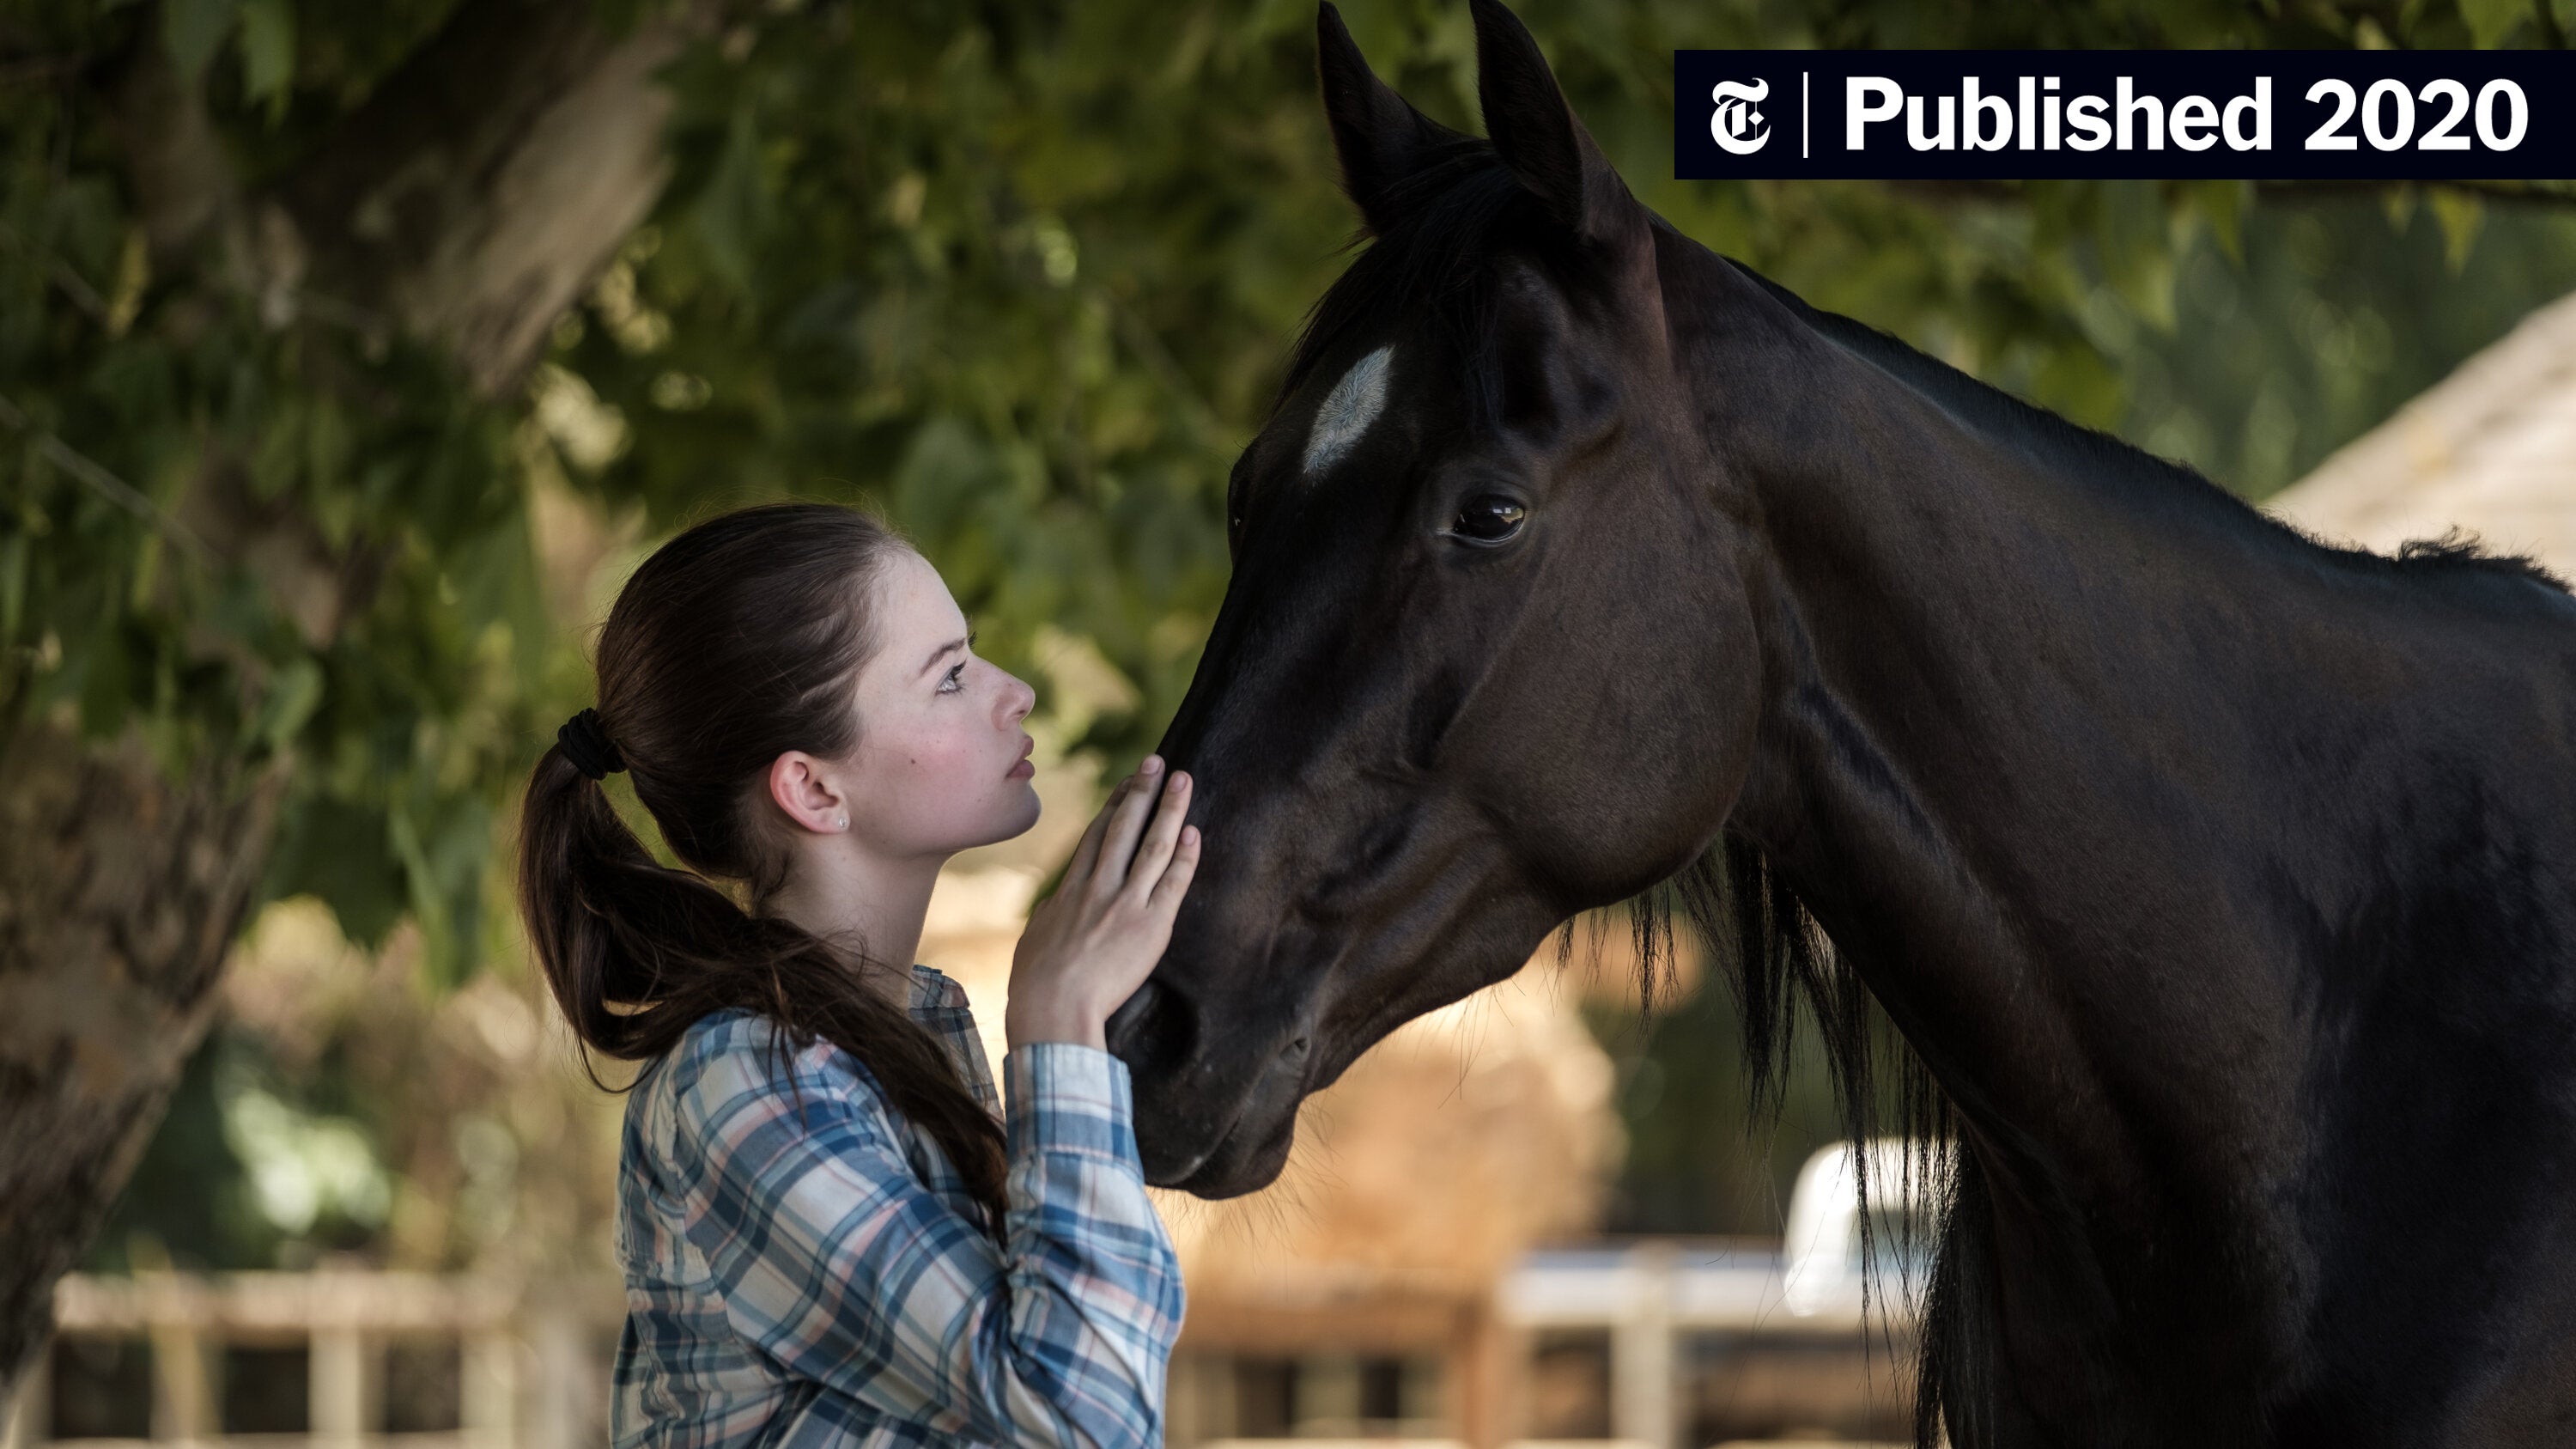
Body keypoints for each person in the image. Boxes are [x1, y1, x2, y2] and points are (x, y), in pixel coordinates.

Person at [514, 500, 1198, 1447]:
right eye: (951, 677)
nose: (1017, 692)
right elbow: (1085, 1414)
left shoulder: (909, 1034)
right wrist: (1061, 1019)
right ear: (815, 789)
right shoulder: (748, 1079)